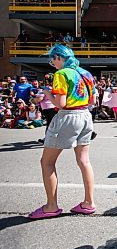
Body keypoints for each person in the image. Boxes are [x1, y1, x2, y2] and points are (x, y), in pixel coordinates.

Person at [28, 44, 97, 219]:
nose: (53, 63)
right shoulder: (86, 73)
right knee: (84, 160)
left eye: (53, 60)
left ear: (59, 58)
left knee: (47, 162)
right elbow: (92, 99)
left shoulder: (61, 74)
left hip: (67, 116)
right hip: (85, 116)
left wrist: (47, 93)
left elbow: (60, 104)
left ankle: (51, 206)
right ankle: (89, 202)